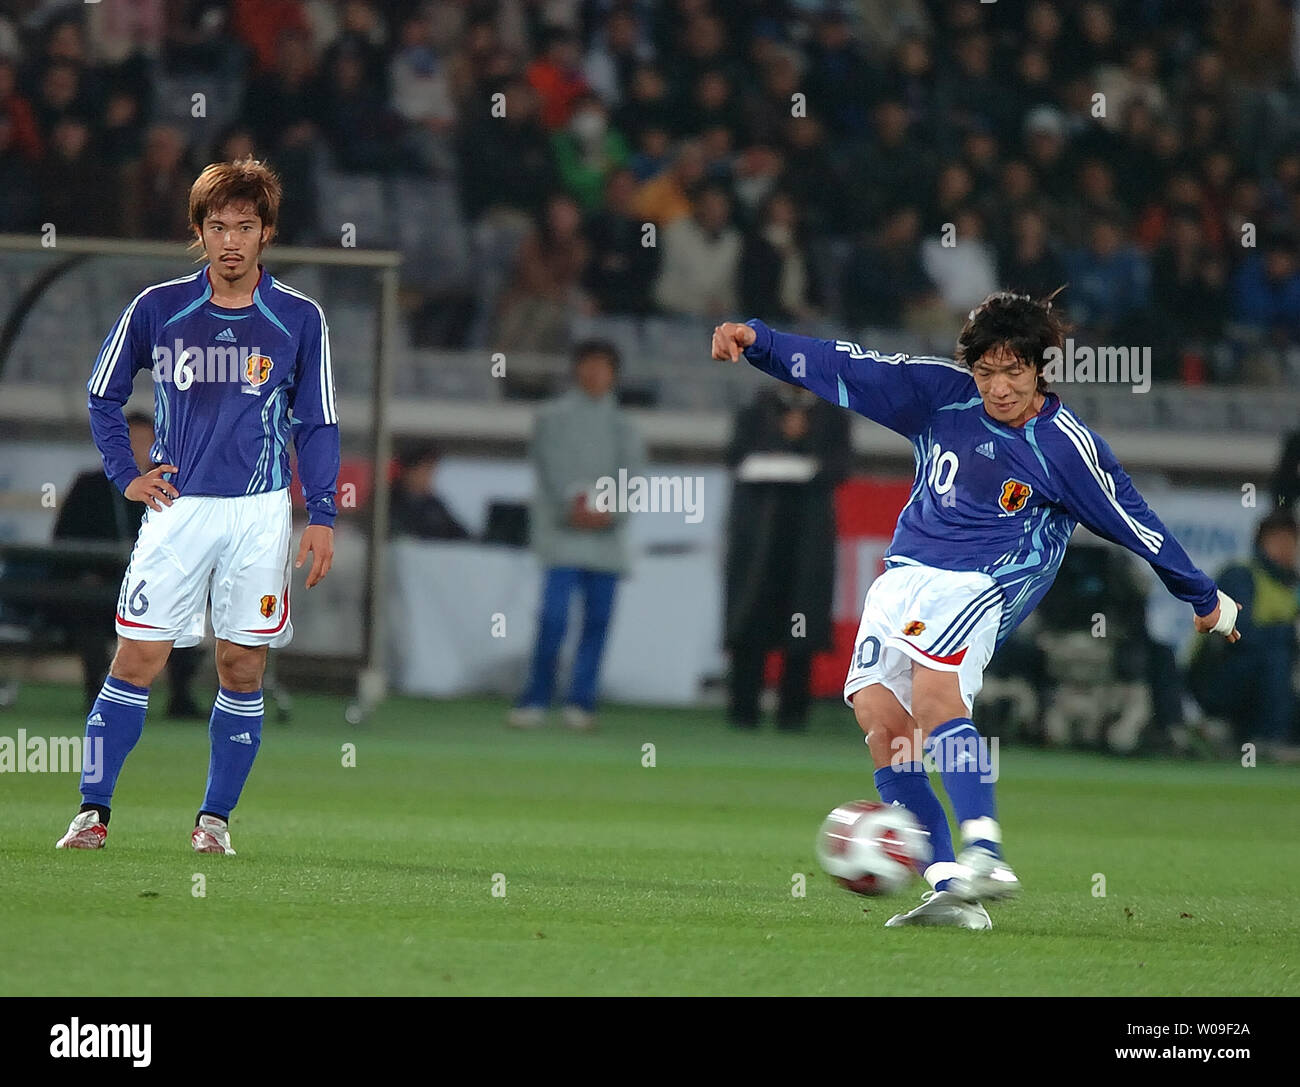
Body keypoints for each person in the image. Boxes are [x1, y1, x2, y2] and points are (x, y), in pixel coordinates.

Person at [710, 291, 1241, 929]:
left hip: (978, 584)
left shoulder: (1064, 447)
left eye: (1013, 371)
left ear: (1041, 367)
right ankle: (947, 887)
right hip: (903, 578)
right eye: (986, 372)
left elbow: (1133, 519)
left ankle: (985, 853)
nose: (999, 387)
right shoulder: (939, 394)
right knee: (882, 724)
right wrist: (763, 343)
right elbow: (848, 365)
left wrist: (1202, 595)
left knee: (936, 700)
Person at [55, 157, 338, 855]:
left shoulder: (299, 318)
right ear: (199, 232)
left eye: (244, 226)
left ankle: (214, 821)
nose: (230, 240)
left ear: (267, 232)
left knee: (241, 666)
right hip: (178, 511)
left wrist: (323, 514)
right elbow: (102, 394)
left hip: (260, 513)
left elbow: (317, 423)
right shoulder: (158, 308)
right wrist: (127, 474)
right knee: (136, 658)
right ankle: (92, 811)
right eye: (217, 226)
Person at [511, 340, 645, 732]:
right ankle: (536, 698)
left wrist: (608, 510)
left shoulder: (625, 426)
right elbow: (548, 468)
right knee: (553, 619)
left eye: (603, 366)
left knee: (597, 622)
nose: (595, 373)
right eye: (589, 365)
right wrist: (574, 505)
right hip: (562, 535)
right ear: (576, 369)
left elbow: (632, 478)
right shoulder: (551, 417)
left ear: (614, 374)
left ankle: (580, 702)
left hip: (607, 540)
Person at [53, 411, 203, 717]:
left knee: (186, 608)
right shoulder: (90, 486)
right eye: (131, 440)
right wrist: (86, 572)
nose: (138, 448)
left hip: (155, 590)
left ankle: (181, 697)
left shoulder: (173, 490)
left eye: (145, 441)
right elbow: (64, 540)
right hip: (99, 587)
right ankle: (98, 694)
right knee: (87, 609)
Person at [724, 384, 850, 731]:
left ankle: (793, 713)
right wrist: (778, 443)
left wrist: (805, 448)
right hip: (758, 536)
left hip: (808, 538)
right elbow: (735, 457)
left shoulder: (831, 416)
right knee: (750, 617)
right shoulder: (755, 411)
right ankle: (743, 709)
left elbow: (841, 466)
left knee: (802, 620)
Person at [1190, 510, 1298, 758]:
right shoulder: (1241, 576)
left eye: (1292, 543)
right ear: (1263, 543)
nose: (1288, 549)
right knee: (1275, 657)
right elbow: (1239, 633)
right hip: (1216, 674)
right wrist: (1290, 632)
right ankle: (1271, 738)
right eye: (1281, 541)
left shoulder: (1291, 585)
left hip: (1260, 677)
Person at [388, 440, 469, 540]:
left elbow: (461, 535)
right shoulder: (387, 503)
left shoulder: (434, 505)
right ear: (409, 471)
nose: (429, 477)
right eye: (424, 470)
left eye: (431, 470)